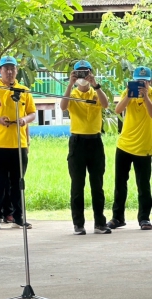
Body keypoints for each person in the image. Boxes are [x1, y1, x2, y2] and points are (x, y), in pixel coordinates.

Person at [0, 56, 35, 230]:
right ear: (0, 71)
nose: (9, 72)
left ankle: (18, 217)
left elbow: (32, 113)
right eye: (6, 69)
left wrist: (24, 120)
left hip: (18, 145)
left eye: (12, 68)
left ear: (17, 71)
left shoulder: (23, 91)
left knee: (18, 182)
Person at [60, 60, 111, 235]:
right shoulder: (72, 93)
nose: (82, 76)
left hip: (95, 142)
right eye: (79, 73)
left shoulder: (96, 93)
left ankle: (99, 223)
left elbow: (105, 104)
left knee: (97, 185)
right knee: (77, 185)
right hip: (77, 143)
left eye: (85, 72)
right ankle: (78, 224)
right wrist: (70, 84)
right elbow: (63, 107)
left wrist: (95, 84)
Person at [107, 66, 152, 231]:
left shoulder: (151, 94)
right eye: (138, 81)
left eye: (145, 81)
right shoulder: (128, 93)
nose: (141, 84)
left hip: (144, 147)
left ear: (149, 81)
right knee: (120, 183)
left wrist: (146, 96)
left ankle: (144, 218)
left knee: (144, 185)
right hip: (124, 145)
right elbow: (118, 110)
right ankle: (117, 218)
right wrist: (128, 94)